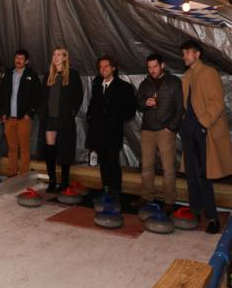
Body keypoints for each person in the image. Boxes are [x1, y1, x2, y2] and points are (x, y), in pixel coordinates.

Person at [179, 40, 232, 234]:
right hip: (188, 129)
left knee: (204, 175)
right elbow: (184, 104)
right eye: (183, 53)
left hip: (203, 130)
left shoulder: (209, 73)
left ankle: (212, 218)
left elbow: (217, 103)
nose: (183, 56)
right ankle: (195, 211)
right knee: (191, 174)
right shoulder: (185, 77)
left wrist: (202, 124)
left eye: (186, 53)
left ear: (197, 54)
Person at [136, 53, 183, 213]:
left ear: (162, 65)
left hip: (165, 130)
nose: (152, 70)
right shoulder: (145, 83)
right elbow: (138, 103)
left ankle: (169, 200)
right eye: (149, 67)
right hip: (147, 129)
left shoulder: (174, 82)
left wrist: (171, 127)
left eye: (155, 66)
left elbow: (179, 108)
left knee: (168, 168)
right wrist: (144, 103)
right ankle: (146, 196)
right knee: (147, 166)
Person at [86, 55, 136, 195]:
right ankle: (106, 188)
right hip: (98, 130)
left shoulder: (124, 87)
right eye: (101, 67)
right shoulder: (97, 84)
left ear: (113, 68)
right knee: (103, 161)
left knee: (112, 160)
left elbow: (130, 110)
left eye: (106, 66)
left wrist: (114, 117)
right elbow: (92, 104)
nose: (103, 69)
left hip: (113, 131)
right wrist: (90, 116)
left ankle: (116, 191)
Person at [39, 48, 83, 192]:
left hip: (64, 119)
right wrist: (42, 114)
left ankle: (64, 182)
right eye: (54, 54)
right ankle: (52, 181)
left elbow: (78, 95)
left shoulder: (73, 74)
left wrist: (71, 112)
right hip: (50, 119)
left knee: (64, 150)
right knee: (50, 150)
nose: (56, 57)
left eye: (59, 55)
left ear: (65, 58)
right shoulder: (48, 76)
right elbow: (43, 98)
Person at [0, 49, 40, 176]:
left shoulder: (32, 75)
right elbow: (2, 95)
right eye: (17, 58)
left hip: (24, 118)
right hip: (9, 118)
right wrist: (3, 113)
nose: (18, 60)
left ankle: (23, 176)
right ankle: (11, 174)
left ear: (26, 61)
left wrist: (30, 113)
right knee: (11, 148)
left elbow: (37, 96)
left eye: (21, 58)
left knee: (24, 149)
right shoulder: (8, 74)